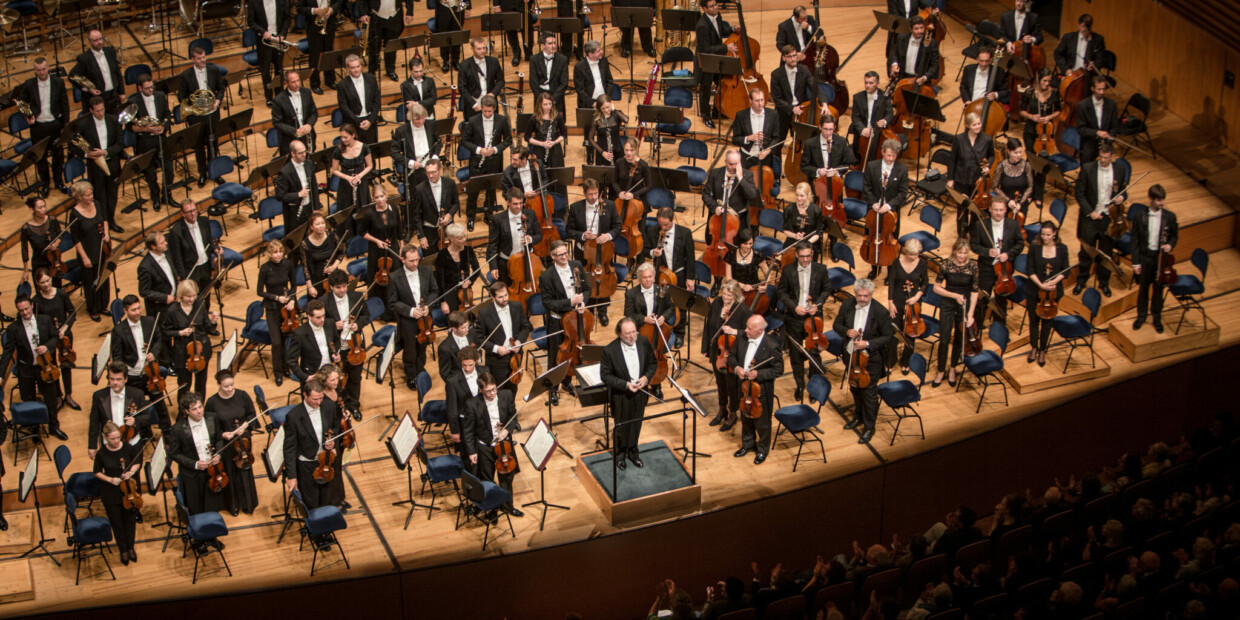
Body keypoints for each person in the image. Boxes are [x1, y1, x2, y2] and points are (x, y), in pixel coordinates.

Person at [834, 278, 895, 444]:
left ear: (871, 295)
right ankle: (858, 417)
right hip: (851, 356)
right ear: (855, 293)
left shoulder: (880, 312)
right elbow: (836, 324)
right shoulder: (847, 305)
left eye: (865, 296)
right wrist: (847, 331)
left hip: (871, 360)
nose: (861, 299)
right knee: (855, 389)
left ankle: (869, 427)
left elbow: (888, 336)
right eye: (859, 296)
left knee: (868, 394)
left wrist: (867, 343)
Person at [1, 294, 65, 439]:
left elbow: (55, 337)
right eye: (21, 310)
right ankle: (34, 428)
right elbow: (7, 353)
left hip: (45, 367)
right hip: (26, 369)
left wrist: (47, 347)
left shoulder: (45, 320)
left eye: (26, 309)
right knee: (28, 399)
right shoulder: (13, 328)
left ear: (31, 305)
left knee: (51, 398)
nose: (25, 312)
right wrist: (0, 375)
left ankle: (54, 427)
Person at [462, 372, 524, 517]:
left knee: (506, 480)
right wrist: (472, 451)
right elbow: (468, 431)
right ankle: (492, 510)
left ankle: (508, 507)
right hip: (485, 447)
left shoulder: (506, 395)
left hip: (504, 447)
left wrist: (507, 431)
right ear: (480, 390)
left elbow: (513, 417)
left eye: (494, 389)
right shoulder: (472, 404)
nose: (492, 393)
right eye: (487, 391)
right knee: (487, 479)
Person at [600, 317, 657, 468]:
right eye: (628, 334)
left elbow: (652, 364)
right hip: (621, 396)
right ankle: (620, 455)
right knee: (621, 427)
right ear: (619, 334)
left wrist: (646, 377)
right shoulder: (610, 350)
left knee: (636, 424)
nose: (632, 336)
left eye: (634, 332)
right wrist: (625, 385)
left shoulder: (643, 342)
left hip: (640, 393)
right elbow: (605, 376)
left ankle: (633, 452)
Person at [777, 241, 830, 401]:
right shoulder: (788, 270)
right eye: (802, 257)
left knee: (814, 354)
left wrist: (818, 305)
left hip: (814, 320)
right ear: (797, 255)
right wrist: (794, 307)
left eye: (808, 256)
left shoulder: (821, 269)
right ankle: (799, 385)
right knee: (795, 356)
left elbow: (826, 289)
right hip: (794, 318)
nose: (806, 260)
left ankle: (813, 389)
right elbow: (781, 292)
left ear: (812, 254)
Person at [727, 315, 784, 464]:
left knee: (762, 423)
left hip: (761, 391)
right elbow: (732, 356)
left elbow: (779, 369)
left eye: (749, 328)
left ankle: (762, 450)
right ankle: (748, 445)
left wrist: (759, 374)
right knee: (745, 417)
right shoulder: (742, 338)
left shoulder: (772, 345)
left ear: (759, 331)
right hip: (744, 386)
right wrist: (737, 368)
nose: (745, 330)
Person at [538, 240, 589, 404]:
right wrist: (570, 301)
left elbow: (586, 288)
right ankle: (553, 389)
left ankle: (567, 383)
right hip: (558, 321)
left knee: (572, 353)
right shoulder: (546, 276)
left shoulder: (576, 266)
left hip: (576, 319)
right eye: (560, 255)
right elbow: (548, 303)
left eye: (566, 253)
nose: (565, 257)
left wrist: (583, 302)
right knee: (555, 357)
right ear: (552, 256)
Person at [1073, 142, 1127, 297]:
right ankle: (1081, 281)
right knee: (1085, 252)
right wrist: (1090, 212)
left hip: (1108, 219)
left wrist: (1122, 197)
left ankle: (1104, 283)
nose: (1103, 160)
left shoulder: (1120, 169)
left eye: (1106, 158)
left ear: (1112, 156)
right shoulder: (1088, 169)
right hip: (1090, 218)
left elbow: (1122, 189)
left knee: (1106, 253)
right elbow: (1079, 194)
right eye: (1101, 157)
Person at [283, 378, 344, 510]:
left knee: (327, 496)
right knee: (311, 500)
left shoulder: (328, 406)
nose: (319, 402)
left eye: (321, 398)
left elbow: (335, 426)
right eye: (315, 399)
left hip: (326, 460)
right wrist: (292, 476)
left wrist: (332, 439)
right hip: (307, 463)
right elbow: (289, 448)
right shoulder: (293, 416)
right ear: (305, 395)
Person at [111, 295, 171, 432]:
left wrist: (154, 353)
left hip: (150, 373)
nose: (137, 312)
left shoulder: (149, 321)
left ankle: (167, 431)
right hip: (132, 376)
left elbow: (158, 339)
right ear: (125, 311)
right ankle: (144, 433)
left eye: (138, 308)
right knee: (136, 408)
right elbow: (117, 357)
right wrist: (125, 372)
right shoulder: (119, 331)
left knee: (159, 403)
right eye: (133, 310)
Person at [567, 179, 622, 325]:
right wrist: (583, 235)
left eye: (595, 194)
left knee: (603, 279)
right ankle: (588, 309)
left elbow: (617, 226)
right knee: (587, 281)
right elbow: (569, 230)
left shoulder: (609, 205)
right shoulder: (575, 207)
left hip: (603, 252)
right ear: (584, 193)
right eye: (590, 194)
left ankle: (603, 311)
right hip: (584, 252)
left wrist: (608, 235)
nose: (593, 197)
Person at [205, 369, 259, 515]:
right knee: (230, 471)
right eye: (226, 386)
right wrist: (222, 434)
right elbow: (210, 426)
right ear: (219, 385)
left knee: (244, 470)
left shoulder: (242, 395)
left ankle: (248, 503)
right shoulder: (212, 402)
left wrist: (245, 425)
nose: (230, 389)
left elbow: (252, 415)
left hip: (243, 441)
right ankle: (233, 504)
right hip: (226, 443)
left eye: (232, 385)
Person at [801, 115, 856, 251]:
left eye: (831, 129)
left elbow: (845, 165)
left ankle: (833, 246)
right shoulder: (810, 143)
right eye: (825, 129)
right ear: (820, 127)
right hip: (817, 188)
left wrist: (836, 172)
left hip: (835, 187)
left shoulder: (842, 142)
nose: (828, 133)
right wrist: (818, 171)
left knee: (834, 218)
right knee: (816, 217)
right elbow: (804, 166)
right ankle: (817, 245)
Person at [388, 244, 439, 389]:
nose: (415, 263)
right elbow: (392, 303)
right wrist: (411, 311)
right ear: (402, 259)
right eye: (411, 261)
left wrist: (428, 305)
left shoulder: (427, 271)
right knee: (410, 349)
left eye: (417, 259)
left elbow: (434, 291)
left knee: (423, 345)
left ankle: (420, 369)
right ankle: (411, 375)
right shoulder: (394, 277)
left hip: (425, 318)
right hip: (407, 320)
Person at [702, 280, 752, 429]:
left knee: (732, 386)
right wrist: (705, 346)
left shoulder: (742, 310)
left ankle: (732, 413)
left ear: (736, 295)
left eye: (729, 295)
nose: (725, 297)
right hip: (717, 351)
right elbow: (708, 325)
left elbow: (752, 332)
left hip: (732, 354)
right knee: (720, 383)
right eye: (724, 293)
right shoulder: (717, 303)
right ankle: (722, 409)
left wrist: (736, 332)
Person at [92, 421, 143, 565]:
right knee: (117, 523)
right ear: (105, 437)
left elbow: (137, 462)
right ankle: (123, 550)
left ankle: (131, 547)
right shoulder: (102, 453)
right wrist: (109, 479)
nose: (116, 441)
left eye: (117, 438)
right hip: (111, 492)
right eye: (112, 439)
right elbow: (96, 472)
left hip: (128, 490)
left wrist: (131, 472)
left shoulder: (128, 447)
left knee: (129, 521)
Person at [969, 198, 1025, 326]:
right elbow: (974, 245)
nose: (998, 213)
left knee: (1001, 300)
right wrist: (986, 252)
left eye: (1001, 210)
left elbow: (1020, 244)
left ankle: (999, 327)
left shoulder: (1013, 224)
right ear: (990, 209)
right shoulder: (981, 225)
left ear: (1005, 210)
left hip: (1005, 269)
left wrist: (1008, 254)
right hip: (987, 268)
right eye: (995, 210)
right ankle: (977, 327)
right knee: (982, 299)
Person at [71, 96, 124, 233]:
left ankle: (111, 221)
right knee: (100, 196)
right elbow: (73, 145)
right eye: (97, 111)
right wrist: (86, 155)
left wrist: (105, 152)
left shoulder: (113, 120)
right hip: (95, 167)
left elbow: (120, 144)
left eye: (102, 110)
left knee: (112, 195)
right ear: (91, 110)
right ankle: (102, 222)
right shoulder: (83, 124)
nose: (100, 113)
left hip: (112, 163)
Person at [167, 391, 225, 515]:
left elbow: (219, 439)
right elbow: (174, 453)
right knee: (195, 507)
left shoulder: (212, 418)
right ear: (186, 411)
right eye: (194, 409)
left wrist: (218, 454)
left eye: (200, 407)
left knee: (212, 505)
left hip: (212, 471)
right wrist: (194, 464)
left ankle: (212, 531)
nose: (199, 411)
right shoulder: (178, 429)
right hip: (192, 475)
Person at [932, 239, 979, 387]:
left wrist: (970, 314)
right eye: (960, 252)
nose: (962, 256)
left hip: (964, 305)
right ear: (954, 251)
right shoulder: (946, 265)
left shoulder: (973, 267)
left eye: (965, 253)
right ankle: (940, 370)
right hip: (948, 302)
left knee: (960, 339)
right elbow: (936, 288)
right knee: (944, 338)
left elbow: (975, 292)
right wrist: (954, 296)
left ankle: (952, 368)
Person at [1131, 184, 1178, 333]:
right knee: (1143, 289)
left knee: (1158, 290)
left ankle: (1156, 318)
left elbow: (1174, 236)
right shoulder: (1140, 215)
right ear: (1150, 199)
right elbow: (1135, 239)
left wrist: (1170, 245)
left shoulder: (1169, 217)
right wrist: (1136, 262)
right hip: (1145, 258)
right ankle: (1141, 316)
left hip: (1160, 259)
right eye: (1158, 200)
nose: (1162, 203)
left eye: (1163, 200)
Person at [473, 283, 534, 398]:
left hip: (515, 356)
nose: (505, 299)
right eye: (500, 297)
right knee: (498, 390)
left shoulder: (517, 306)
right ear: (492, 297)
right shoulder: (484, 313)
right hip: (497, 360)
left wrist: (519, 342)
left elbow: (525, 327)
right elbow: (479, 338)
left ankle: (511, 410)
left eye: (506, 295)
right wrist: (496, 348)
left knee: (513, 386)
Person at [862, 139, 910, 281]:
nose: (890, 159)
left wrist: (889, 206)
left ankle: (890, 272)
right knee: (872, 239)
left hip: (891, 214)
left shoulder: (902, 170)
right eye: (888, 155)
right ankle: (874, 269)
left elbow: (902, 194)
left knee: (890, 241)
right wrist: (873, 203)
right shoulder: (871, 166)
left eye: (893, 156)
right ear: (882, 152)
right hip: (873, 212)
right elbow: (866, 188)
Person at [624, 264, 675, 397]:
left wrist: (663, 317)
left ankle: (656, 384)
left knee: (657, 354)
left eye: (650, 277)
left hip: (659, 332)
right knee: (640, 358)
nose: (648, 280)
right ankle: (642, 384)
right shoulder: (631, 293)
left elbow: (670, 308)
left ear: (654, 277)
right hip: (640, 331)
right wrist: (644, 319)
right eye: (645, 277)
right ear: (640, 278)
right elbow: (628, 314)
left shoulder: (663, 289)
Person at [21, 57, 70, 195]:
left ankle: (59, 181)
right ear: (34, 71)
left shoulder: (58, 82)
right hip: (38, 127)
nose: (41, 72)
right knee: (40, 157)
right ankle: (45, 184)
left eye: (43, 69)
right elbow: (21, 102)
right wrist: (27, 116)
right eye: (38, 70)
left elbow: (65, 104)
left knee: (58, 155)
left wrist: (65, 124)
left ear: (48, 68)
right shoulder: (29, 84)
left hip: (55, 124)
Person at [462, 94, 514, 225]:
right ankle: (470, 216)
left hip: (493, 159)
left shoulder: (501, 120)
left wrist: (495, 149)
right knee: (474, 190)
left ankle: (489, 213)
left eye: (489, 111)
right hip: (477, 161)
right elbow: (465, 141)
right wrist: (479, 150)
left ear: (494, 108)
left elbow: (508, 140)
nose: (486, 114)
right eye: (484, 111)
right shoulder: (473, 120)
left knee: (491, 190)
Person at [178, 46, 225, 187]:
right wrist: (196, 103)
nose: (202, 60)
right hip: (197, 115)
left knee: (213, 142)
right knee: (199, 146)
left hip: (212, 112)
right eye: (199, 58)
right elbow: (181, 95)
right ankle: (202, 173)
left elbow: (221, 88)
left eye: (204, 57)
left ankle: (214, 172)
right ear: (192, 59)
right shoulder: (186, 75)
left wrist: (217, 101)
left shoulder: (213, 70)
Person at [163, 281, 219, 399]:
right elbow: (165, 331)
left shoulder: (200, 305)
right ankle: (183, 412)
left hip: (201, 350)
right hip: (182, 352)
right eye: (188, 296)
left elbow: (207, 327)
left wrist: (213, 321)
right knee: (184, 384)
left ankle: (199, 409)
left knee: (201, 384)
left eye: (194, 295)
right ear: (181, 295)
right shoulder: (172, 310)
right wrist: (179, 333)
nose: (192, 299)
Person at [125, 74, 174, 208]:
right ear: (140, 88)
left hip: (161, 137)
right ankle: (155, 196)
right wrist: (146, 129)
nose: (150, 90)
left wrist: (163, 127)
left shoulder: (159, 96)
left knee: (169, 168)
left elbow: (167, 114)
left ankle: (166, 194)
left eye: (151, 87)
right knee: (150, 172)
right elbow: (129, 127)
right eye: (147, 88)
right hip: (145, 141)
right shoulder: (134, 102)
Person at [32, 268, 78, 410]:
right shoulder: (36, 300)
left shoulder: (61, 294)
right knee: (52, 366)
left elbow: (72, 312)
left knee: (66, 363)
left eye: (48, 281)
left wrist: (65, 327)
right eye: (42, 282)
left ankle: (69, 395)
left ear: (51, 279)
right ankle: (58, 396)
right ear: (37, 283)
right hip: (48, 339)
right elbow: (35, 321)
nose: (46, 284)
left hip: (64, 335)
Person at [1025, 221, 1069, 366]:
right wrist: (1041, 284)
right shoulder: (1034, 247)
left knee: (1047, 321)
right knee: (1034, 321)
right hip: (1034, 289)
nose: (1045, 237)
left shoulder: (1062, 249)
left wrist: (1054, 282)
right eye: (1043, 234)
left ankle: (1043, 349)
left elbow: (1066, 270)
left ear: (1055, 233)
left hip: (1053, 292)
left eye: (1048, 235)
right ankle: (1033, 347)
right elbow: (1029, 269)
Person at [321, 270, 368, 405]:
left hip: (356, 345)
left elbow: (366, 316)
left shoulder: (357, 296)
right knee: (338, 378)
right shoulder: (324, 301)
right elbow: (321, 324)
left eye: (344, 286)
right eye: (338, 287)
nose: (342, 290)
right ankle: (341, 405)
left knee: (355, 377)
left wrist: (357, 325)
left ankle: (354, 404)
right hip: (337, 346)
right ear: (331, 287)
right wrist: (333, 325)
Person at [946, 112, 995, 236]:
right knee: (962, 207)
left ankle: (974, 232)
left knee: (976, 207)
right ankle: (961, 233)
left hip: (978, 180)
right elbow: (953, 159)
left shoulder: (987, 139)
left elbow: (991, 155)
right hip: (961, 178)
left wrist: (987, 165)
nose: (978, 127)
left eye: (979, 124)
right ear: (967, 125)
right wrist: (950, 178)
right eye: (974, 125)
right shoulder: (959, 139)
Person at [67, 182, 111, 321]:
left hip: (101, 249)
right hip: (87, 252)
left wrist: (107, 233)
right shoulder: (74, 214)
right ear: (79, 197)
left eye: (91, 194)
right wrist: (84, 258)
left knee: (103, 279)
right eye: (88, 195)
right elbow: (76, 239)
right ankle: (93, 309)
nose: (91, 197)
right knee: (91, 282)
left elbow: (104, 220)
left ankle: (103, 305)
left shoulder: (96, 204)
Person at [256, 239, 298, 385]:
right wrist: (276, 297)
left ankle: (287, 368)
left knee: (286, 339)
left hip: (286, 307)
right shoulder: (265, 268)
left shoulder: (287, 264)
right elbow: (259, 291)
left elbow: (293, 285)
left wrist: (291, 299)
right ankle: (278, 372)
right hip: (272, 308)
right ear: (269, 253)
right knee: (276, 342)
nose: (278, 255)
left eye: (280, 252)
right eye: (275, 252)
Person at [87, 362, 148, 458]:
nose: (115, 382)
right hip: (109, 445)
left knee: (134, 472)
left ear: (126, 379)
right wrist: (92, 445)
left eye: (119, 379)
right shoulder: (98, 396)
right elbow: (94, 422)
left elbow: (147, 415)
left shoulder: (137, 394)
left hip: (132, 443)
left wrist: (135, 421)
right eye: (112, 379)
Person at [393, 102, 440, 226]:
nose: (420, 121)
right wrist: (410, 163)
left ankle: (432, 220)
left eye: (423, 118)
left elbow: (438, 142)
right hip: (414, 170)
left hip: (430, 168)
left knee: (433, 195)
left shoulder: (430, 124)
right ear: (411, 118)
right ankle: (414, 225)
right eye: (417, 119)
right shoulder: (401, 131)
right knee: (414, 199)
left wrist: (435, 157)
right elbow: (394, 152)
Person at [359, 184, 404, 309]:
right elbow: (362, 232)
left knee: (395, 276)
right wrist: (376, 241)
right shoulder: (369, 214)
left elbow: (399, 229)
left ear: (386, 195)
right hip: (377, 250)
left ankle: (395, 307)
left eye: (382, 196)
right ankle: (380, 308)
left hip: (393, 247)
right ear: (373, 199)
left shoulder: (394, 208)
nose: (379, 200)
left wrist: (401, 247)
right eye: (376, 197)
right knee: (379, 279)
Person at [886, 239, 928, 374]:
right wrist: (890, 302)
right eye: (911, 254)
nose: (914, 257)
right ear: (906, 252)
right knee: (894, 331)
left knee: (911, 332)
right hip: (897, 300)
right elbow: (891, 282)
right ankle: (890, 360)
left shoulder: (921, 264)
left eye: (916, 254)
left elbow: (925, 283)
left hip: (913, 303)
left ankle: (906, 361)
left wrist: (917, 297)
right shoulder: (896, 262)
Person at [169, 200, 222, 304]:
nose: (193, 214)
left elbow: (209, 240)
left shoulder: (204, 221)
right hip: (191, 271)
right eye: (189, 211)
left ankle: (205, 319)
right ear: (182, 214)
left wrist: (215, 248)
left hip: (205, 267)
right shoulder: (176, 232)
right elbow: (177, 258)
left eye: (194, 210)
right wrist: (184, 279)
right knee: (194, 301)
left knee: (206, 298)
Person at [694, 0, 736, 129]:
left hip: (717, 59)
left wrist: (733, 29)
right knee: (706, 89)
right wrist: (726, 48)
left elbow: (719, 31)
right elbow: (706, 49)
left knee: (720, 83)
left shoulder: (717, 16)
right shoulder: (702, 25)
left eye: (716, 5)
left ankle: (717, 110)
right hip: (706, 61)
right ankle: (706, 115)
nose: (715, 8)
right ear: (704, 9)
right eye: (712, 6)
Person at [487, 188, 542, 285]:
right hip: (507, 262)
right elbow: (493, 244)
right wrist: (493, 266)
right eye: (515, 204)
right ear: (508, 202)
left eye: (521, 203)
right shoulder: (498, 219)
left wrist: (531, 239)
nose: (519, 206)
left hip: (528, 260)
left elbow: (539, 235)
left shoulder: (530, 214)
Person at [703, 149, 760, 237]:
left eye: (736, 164)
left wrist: (740, 178)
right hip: (718, 218)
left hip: (738, 220)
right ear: (725, 162)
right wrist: (715, 207)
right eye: (731, 164)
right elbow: (706, 194)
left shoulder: (748, 175)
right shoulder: (715, 173)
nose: (734, 167)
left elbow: (752, 195)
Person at [770, 46, 818, 145]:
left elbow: (814, 87)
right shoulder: (776, 74)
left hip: (801, 112)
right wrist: (792, 109)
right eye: (789, 57)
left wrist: (824, 102)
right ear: (783, 58)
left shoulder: (804, 69)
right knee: (777, 143)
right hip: (783, 113)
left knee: (800, 142)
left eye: (794, 55)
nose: (793, 59)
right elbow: (777, 99)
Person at [289, 299, 342, 383]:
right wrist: (305, 377)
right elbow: (291, 360)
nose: (322, 319)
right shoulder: (300, 333)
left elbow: (336, 341)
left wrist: (335, 352)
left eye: (323, 316)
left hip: (331, 371)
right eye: (318, 317)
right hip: (313, 374)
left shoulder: (330, 323)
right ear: (309, 316)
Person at [248, 0, 290, 104]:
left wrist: (282, 34)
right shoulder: (254, 2)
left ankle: (279, 94)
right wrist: (263, 32)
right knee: (266, 71)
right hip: (264, 41)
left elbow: (287, 18)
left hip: (278, 39)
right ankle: (269, 97)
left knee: (279, 69)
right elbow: (251, 22)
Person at [71, 29, 124, 112]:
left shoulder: (110, 51)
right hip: (98, 100)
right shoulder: (84, 58)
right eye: (96, 40)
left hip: (114, 96)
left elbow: (117, 72)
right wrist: (88, 89)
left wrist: (122, 92)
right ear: (90, 42)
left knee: (116, 122)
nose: (99, 42)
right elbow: (72, 76)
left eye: (100, 39)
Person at [20, 197, 65, 289]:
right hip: (39, 263)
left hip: (54, 262)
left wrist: (55, 244)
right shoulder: (26, 228)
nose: (44, 209)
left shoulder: (52, 220)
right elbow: (24, 249)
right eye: (40, 207)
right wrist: (25, 270)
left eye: (44, 206)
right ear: (32, 210)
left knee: (57, 290)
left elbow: (59, 235)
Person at [336, 54, 381, 144]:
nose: (356, 70)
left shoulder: (371, 79)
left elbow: (377, 100)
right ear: (347, 69)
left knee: (371, 151)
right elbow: (343, 107)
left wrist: (370, 120)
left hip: (370, 121)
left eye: (358, 66)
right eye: (353, 68)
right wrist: (358, 122)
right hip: (353, 123)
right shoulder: (342, 85)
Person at [850, 71, 894, 162]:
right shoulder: (857, 97)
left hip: (878, 133)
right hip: (863, 134)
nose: (867, 86)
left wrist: (884, 121)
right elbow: (855, 117)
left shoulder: (884, 97)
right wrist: (862, 129)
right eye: (866, 82)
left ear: (877, 83)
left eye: (871, 83)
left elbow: (890, 114)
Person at [414, 159, 459, 248]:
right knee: (431, 259)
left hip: (447, 228)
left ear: (439, 170)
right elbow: (416, 215)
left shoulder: (450, 183)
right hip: (429, 230)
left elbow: (456, 203)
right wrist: (421, 236)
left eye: (433, 172)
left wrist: (449, 215)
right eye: (428, 173)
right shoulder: (420, 189)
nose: (430, 176)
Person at [434, 224, 480, 310]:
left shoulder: (468, 250)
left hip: (466, 291)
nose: (464, 240)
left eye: (464, 236)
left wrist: (470, 281)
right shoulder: (442, 255)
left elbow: (477, 270)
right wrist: (443, 302)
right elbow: (440, 281)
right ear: (451, 239)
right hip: (450, 291)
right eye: (460, 238)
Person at [732, 89, 782, 169]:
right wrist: (748, 138)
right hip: (747, 157)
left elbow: (776, 137)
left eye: (762, 100)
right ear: (750, 100)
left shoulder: (773, 114)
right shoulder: (741, 115)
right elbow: (735, 139)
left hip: (765, 158)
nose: (760, 103)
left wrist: (767, 151)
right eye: (757, 101)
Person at [302, 0, 344, 93]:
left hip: (329, 25)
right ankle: (315, 84)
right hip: (313, 28)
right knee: (315, 56)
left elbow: (338, 2)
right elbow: (299, 8)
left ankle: (330, 80)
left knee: (329, 53)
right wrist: (313, 10)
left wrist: (332, 10)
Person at [137, 231, 182, 318]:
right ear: (153, 246)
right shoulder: (145, 266)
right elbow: (144, 291)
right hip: (159, 309)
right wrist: (165, 297)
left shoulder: (166, 252)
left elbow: (171, 271)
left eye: (164, 240)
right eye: (162, 242)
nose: (166, 243)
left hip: (174, 302)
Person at [272, 70, 318, 155]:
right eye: (293, 82)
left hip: (307, 136)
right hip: (290, 139)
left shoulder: (306, 92)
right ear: (286, 83)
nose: (297, 84)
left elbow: (314, 112)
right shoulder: (278, 100)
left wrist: (309, 124)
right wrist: (294, 131)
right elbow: (277, 123)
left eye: (298, 80)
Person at [992, 138, 1038, 223]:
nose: (1019, 155)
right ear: (1009, 151)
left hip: (1021, 203)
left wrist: (1020, 203)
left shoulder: (1026, 166)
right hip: (1005, 202)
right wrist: (1008, 201)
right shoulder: (1001, 166)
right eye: (1015, 152)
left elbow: (1030, 186)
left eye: (1020, 152)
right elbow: (995, 187)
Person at [332, 124, 375, 214]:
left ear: (353, 135)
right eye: (341, 137)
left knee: (362, 205)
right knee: (346, 207)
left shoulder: (364, 148)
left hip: (361, 180)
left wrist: (360, 175)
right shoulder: (338, 150)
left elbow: (370, 165)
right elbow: (334, 170)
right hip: (345, 182)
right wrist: (348, 178)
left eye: (345, 137)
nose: (343, 140)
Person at [459, 38, 505, 122]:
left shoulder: (494, 61)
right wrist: (474, 104)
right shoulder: (464, 65)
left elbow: (500, 81)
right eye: (479, 49)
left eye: (484, 48)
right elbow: (462, 88)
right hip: (473, 106)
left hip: (491, 104)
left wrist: (492, 94)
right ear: (472, 49)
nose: (482, 51)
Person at [1076, 75, 1118, 164]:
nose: (1102, 92)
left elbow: (1114, 127)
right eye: (1099, 89)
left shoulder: (1112, 105)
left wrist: (1109, 140)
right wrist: (1097, 132)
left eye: (1103, 89)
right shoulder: (1082, 105)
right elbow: (1081, 129)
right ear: (1092, 88)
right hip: (1090, 142)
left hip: (1106, 143)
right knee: (1086, 167)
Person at [445, 345, 482, 448]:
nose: (467, 368)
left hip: (482, 418)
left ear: (476, 360)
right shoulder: (452, 381)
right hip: (465, 422)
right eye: (464, 365)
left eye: (470, 365)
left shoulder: (484, 371)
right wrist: (455, 431)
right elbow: (452, 409)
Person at [300, 213, 343, 299]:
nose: (321, 226)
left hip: (333, 276)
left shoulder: (332, 235)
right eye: (317, 224)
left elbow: (341, 252)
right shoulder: (305, 244)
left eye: (323, 223)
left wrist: (334, 266)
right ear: (311, 227)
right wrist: (310, 287)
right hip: (317, 279)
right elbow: (305, 267)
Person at [359, 0, 405, 80]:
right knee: (374, 45)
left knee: (391, 45)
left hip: (394, 15)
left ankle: (390, 70)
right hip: (376, 16)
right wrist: (363, 13)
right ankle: (372, 71)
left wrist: (410, 12)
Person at [1020, 68, 1061, 156]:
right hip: (1031, 129)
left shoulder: (1054, 92)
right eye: (1044, 81)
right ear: (1039, 80)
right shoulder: (1029, 92)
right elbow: (1022, 110)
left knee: (1044, 158)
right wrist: (1031, 116)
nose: (1047, 84)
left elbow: (1058, 110)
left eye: (1049, 81)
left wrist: (1049, 117)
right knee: (1031, 157)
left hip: (1047, 131)